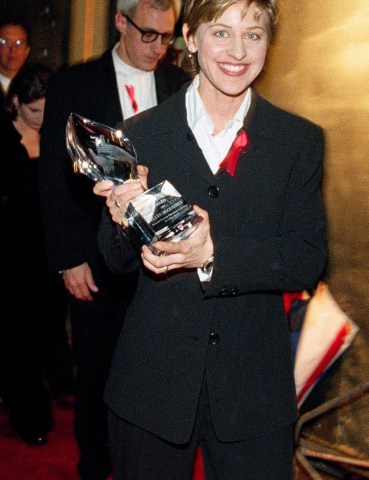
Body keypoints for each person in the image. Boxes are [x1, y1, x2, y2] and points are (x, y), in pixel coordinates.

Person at [92, 0, 328, 478]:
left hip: (253, 391)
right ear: (191, 37)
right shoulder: (138, 135)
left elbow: (307, 258)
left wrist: (213, 253)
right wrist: (120, 217)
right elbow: (114, 261)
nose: (238, 51)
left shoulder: (297, 141)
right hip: (151, 385)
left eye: (254, 35)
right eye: (221, 32)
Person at [38, 0, 188, 478]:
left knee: (154, 374)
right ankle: (95, 465)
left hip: (161, 261)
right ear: (121, 22)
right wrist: (68, 259)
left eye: (167, 37)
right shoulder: (74, 83)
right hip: (94, 260)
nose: (158, 48)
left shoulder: (179, 85)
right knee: (97, 371)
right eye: (148, 34)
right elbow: (53, 178)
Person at [0, 62, 74, 446]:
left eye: (47, 112)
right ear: (15, 102)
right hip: (9, 254)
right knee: (18, 335)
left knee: (47, 327)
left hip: (47, 251)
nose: (41, 120)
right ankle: (31, 417)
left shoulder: (57, 138)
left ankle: (52, 386)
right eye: (33, 113)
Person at [0, 16, 30, 112]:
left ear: (27, 50)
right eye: (5, 42)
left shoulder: (36, 87)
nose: (13, 50)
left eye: (19, 43)